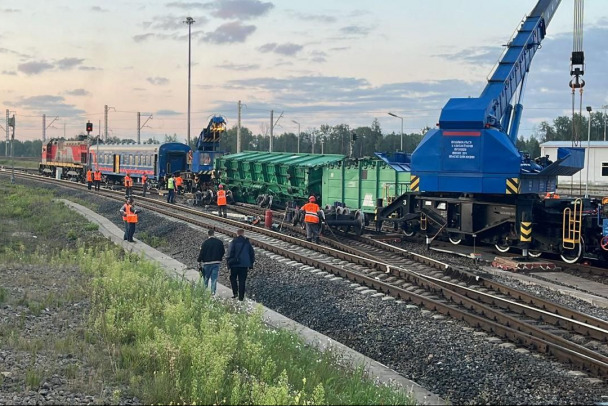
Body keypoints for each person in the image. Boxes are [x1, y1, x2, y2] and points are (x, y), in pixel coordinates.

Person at [226, 228, 255, 301]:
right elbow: (252, 253)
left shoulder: (234, 241)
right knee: (242, 281)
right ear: (243, 233)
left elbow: (229, 253)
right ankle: (241, 297)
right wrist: (251, 263)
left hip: (235, 264)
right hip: (244, 265)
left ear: (237, 234)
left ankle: (235, 293)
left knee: (233, 278)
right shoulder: (247, 242)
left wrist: (228, 263)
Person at [196, 229, 225, 295]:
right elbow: (223, 252)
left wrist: (199, 260)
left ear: (208, 234)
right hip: (216, 263)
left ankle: (204, 291)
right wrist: (219, 258)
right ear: (213, 234)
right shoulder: (219, 242)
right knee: (214, 278)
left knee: (206, 278)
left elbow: (202, 253)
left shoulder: (205, 243)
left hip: (207, 263)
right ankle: (213, 293)